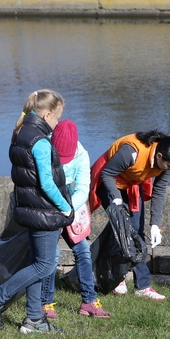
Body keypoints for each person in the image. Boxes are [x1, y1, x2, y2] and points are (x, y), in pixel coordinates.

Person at [0, 89, 74, 333]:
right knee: (44, 265)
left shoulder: (22, 132)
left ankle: (34, 319)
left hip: (31, 209)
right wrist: (66, 207)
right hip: (44, 211)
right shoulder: (39, 140)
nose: (58, 123)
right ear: (47, 114)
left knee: (38, 262)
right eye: (57, 117)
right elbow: (46, 183)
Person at [89, 130, 170, 300]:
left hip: (132, 183)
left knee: (137, 232)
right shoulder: (132, 152)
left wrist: (155, 224)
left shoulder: (165, 163)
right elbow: (107, 174)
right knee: (123, 231)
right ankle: (117, 279)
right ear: (159, 156)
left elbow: (160, 190)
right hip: (109, 181)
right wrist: (117, 200)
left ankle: (142, 286)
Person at [40, 120, 110, 319]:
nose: (63, 162)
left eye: (66, 158)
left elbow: (82, 189)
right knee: (51, 256)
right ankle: (46, 303)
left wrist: (67, 209)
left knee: (84, 252)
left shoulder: (81, 155)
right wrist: (55, 208)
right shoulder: (42, 147)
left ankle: (89, 301)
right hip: (47, 207)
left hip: (71, 207)